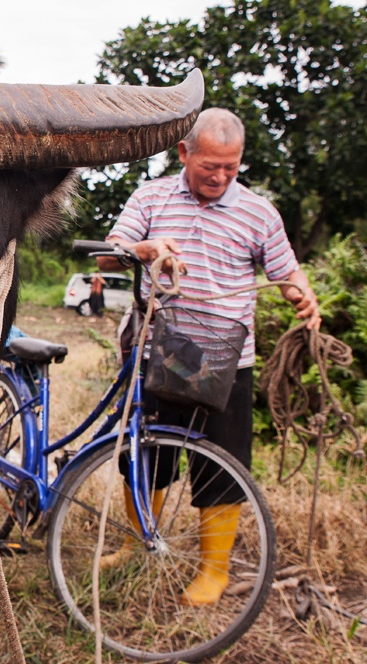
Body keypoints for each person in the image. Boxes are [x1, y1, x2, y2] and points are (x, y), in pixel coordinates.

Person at [96, 107, 321, 606]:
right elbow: (108, 253)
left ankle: (213, 571)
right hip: (159, 354)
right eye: (209, 167)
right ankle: (137, 543)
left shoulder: (259, 212)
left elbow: (287, 273)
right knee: (146, 455)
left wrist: (302, 296)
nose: (220, 177)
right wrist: (145, 249)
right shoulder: (151, 197)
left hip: (226, 364)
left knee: (222, 464)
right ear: (184, 154)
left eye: (230, 168)